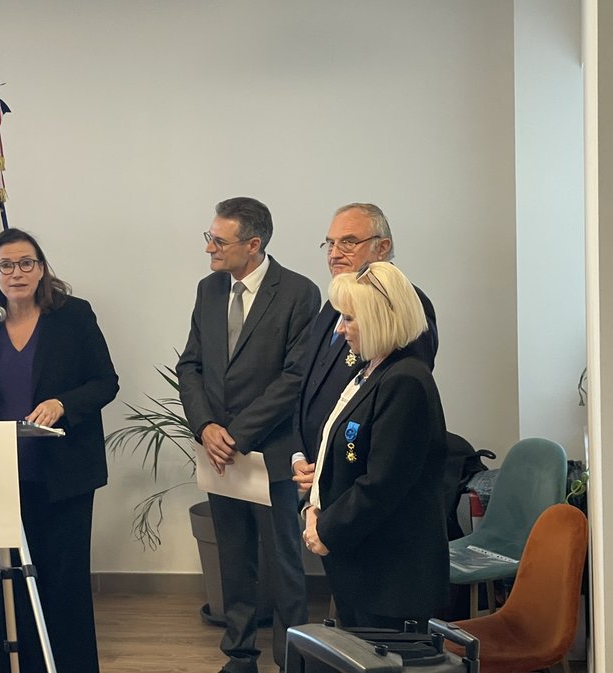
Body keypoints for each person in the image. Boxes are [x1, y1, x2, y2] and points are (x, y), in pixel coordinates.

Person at [0, 228, 118, 673]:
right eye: (6, 265)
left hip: (65, 473)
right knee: (9, 585)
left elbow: (106, 382)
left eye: (26, 263)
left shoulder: (73, 315)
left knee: (63, 582)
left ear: (42, 268)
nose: (17, 273)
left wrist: (63, 403)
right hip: (0, 477)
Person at [176, 197, 320, 673]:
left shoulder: (299, 292)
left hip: (271, 451)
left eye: (219, 240)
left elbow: (295, 379)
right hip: (219, 452)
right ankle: (239, 656)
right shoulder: (208, 289)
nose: (209, 249)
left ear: (253, 245)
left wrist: (235, 433)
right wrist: (206, 427)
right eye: (209, 237)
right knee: (234, 562)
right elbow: (191, 364)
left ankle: (290, 658)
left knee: (282, 565)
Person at [301, 261, 450, 628]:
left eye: (349, 319)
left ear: (379, 318)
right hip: (364, 565)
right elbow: (336, 455)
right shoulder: (370, 371)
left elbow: (382, 482)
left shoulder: (406, 381)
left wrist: (326, 527)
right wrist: (313, 507)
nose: (340, 329)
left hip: (392, 574)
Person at [292, 203, 438, 498]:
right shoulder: (333, 304)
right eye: (330, 244)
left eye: (348, 242)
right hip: (317, 481)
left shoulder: (403, 307)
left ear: (382, 247)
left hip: (359, 489)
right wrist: (299, 455)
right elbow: (306, 389)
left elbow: (397, 410)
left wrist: (329, 464)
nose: (334, 254)